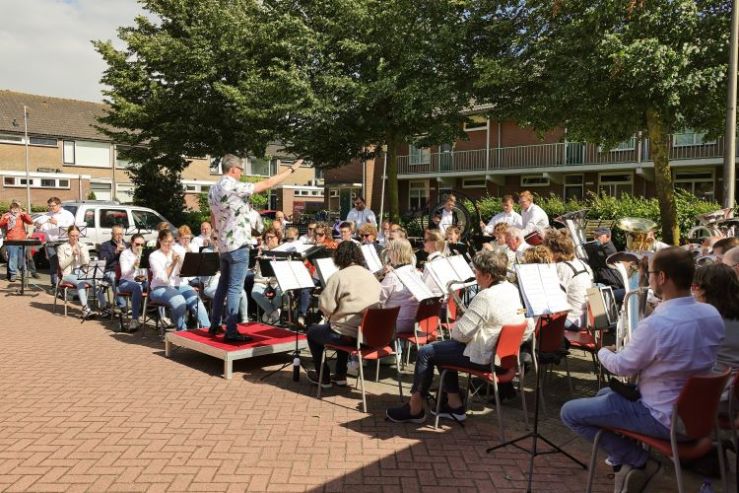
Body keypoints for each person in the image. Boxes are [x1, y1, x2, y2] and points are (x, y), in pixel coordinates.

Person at [560, 247, 725, 492]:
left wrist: (603, 350)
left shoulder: (657, 324)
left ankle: (638, 461)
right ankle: (621, 464)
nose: (647, 278)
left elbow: (621, 367)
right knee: (604, 395)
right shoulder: (711, 313)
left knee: (569, 413)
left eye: (650, 273)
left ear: (662, 277)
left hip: (663, 418)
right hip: (699, 416)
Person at [386, 250, 526, 423]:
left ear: (488, 276)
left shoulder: (485, 296)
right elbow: (525, 325)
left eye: (477, 273)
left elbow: (459, 335)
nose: (475, 277)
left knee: (426, 352)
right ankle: (454, 405)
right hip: (505, 358)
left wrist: (462, 317)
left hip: (485, 357)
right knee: (441, 350)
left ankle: (414, 408)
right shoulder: (512, 289)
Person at [208, 154, 302, 342]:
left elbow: (213, 217)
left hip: (224, 245)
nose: (241, 173)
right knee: (235, 288)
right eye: (240, 169)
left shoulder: (213, 189)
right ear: (233, 169)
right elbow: (268, 183)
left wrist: (218, 233)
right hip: (238, 245)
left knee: (223, 285)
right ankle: (231, 331)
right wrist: (292, 169)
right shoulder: (233, 186)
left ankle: (215, 324)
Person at [305, 241, 381, 387]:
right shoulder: (371, 276)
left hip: (348, 336)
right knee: (344, 325)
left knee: (313, 332)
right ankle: (340, 375)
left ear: (339, 257)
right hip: (369, 335)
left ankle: (323, 376)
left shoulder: (338, 276)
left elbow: (326, 306)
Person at [148, 229, 210, 331]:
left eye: (171, 242)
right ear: (160, 241)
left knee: (197, 302)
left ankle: (208, 329)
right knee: (179, 301)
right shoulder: (154, 256)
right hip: (160, 287)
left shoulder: (178, 251)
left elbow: (186, 273)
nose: (169, 244)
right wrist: (173, 263)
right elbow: (163, 279)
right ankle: (182, 331)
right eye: (166, 242)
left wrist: (182, 261)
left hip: (181, 285)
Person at [544, 229, 594, 330]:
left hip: (572, 320)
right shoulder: (582, 264)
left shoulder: (562, 267)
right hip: (587, 319)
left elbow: (557, 301)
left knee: (537, 316)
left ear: (555, 252)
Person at [692, 263, 739, 368]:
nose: (693, 291)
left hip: (717, 374)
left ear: (704, 290)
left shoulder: (703, 318)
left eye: (694, 286)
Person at [57, 225, 108, 319]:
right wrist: (72, 255)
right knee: (80, 282)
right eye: (72, 236)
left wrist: (83, 254)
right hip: (68, 274)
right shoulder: (62, 247)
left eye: (77, 235)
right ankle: (86, 310)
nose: (75, 238)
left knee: (96, 283)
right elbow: (62, 266)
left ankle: (104, 308)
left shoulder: (83, 246)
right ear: (68, 235)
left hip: (81, 272)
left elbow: (86, 263)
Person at [380, 239, 420, 334]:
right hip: (415, 323)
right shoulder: (418, 274)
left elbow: (378, 300)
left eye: (390, 251)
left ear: (396, 253)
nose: (388, 254)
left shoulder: (392, 276)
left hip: (395, 324)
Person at [34, 197, 75, 287]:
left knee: (64, 264)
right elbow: (40, 230)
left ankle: (65, 283)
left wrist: (57, 222)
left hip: (63, 242)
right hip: (50, 243)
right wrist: (38, 227)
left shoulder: (67, 214)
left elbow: (70, 226)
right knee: (53, 264)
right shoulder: (46, 215)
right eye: (49, 206)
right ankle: (54, 284)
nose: (51, 208)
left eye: (53, 206)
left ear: (59, 205)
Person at [251, 228, 284, 324]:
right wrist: (259, 258)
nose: (269, 240)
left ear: (277, 238)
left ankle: (269, 314)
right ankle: (274, 313)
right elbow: (257, 271)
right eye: (267, 238)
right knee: (254, 293)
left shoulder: (283, 251)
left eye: (271, 237)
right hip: (262, 282)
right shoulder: (262, 251)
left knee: (279, 294)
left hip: (277, 282)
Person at [118, 233, 148, 332]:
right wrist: (134, 265)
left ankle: (162, 317)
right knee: (137, 287)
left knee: (157, 285)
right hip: (126, 281)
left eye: (142, 245)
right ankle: (134, 319)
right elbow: (124, 273)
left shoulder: (144, 253)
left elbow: (147, 272)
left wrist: (146, 277)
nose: (140, 247)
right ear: (132, 243)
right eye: (137, 244)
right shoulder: (125, 254)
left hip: (141, 280)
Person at [98, 225, 128, 315]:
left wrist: (127, 253)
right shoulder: (105, 245)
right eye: (117, 234)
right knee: (115, 278)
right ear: (112, 234)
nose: (119, 236)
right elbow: (103, 261)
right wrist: (115, 252)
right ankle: (123, 306)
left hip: (125, 271)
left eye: (121, 234)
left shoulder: (126, 245)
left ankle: (140, 306)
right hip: (110, 271)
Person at [0, 200, 33, 282]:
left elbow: (30, 222)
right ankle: (13, 274)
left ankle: (23, 274)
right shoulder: (6, 215)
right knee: (12, 258)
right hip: (11, 240)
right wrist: (5, 219)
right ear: (10, 209)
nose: (15, 210)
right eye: (13, 209)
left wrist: (25, 214)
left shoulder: (21, 215)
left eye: (16, 209)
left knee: (21, 259)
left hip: (21, 240)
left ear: (19, 209)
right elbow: (0, 224)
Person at [422, 229, 447, 296]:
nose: (423, 243)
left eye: (425, 240)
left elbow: (425, 288)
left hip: (434, 299)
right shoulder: (442, 259)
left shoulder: (434, 263)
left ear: (433, 243)